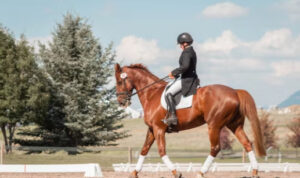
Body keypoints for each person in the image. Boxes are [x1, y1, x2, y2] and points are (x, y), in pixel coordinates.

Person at [163, 32, 199, 126]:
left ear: (185, 43)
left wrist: (173, 72)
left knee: (168, 93)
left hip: (187, 79)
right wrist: (176, 75)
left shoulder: (187, 52)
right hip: (190, 77)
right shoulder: (191, 50)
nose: (180, 46)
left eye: (180, 44)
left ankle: (173, 117)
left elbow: (185, 67)